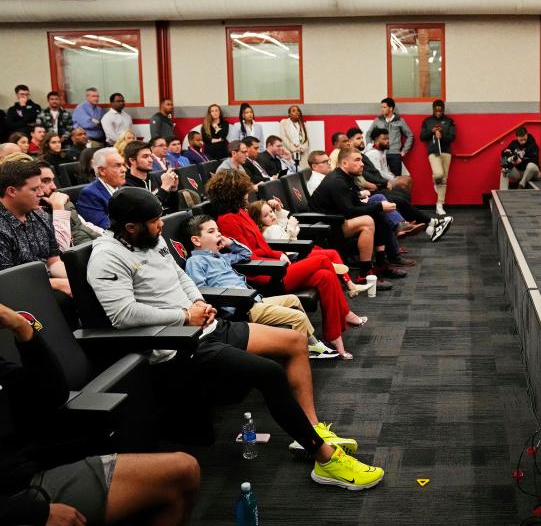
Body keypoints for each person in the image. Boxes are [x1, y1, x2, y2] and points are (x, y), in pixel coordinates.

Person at [87, 188, 384, 489]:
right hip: (176, 344)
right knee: (269, 372)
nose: (161, 225)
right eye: (154, 221)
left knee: (294, 341)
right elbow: (123, 315)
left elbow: (181, 278)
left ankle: (310, 428)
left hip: (203, 326)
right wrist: (183, 316)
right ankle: (324, 458)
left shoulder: (151, 239)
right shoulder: (106, 257)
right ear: (130, 226)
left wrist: (198, 304)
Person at [0, 302, 202, 526]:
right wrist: (33, 513)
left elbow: (52, 395)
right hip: (14, 501)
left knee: (184, 470)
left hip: (26, 474)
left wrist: (22, 328)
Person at [207, 171, 369, 359]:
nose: (248, 194)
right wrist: (277, 259)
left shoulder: (241, 212)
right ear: (233, 193)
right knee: (324, 260)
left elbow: (263, 246)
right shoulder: (226, 220)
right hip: (263, 274)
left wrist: (279, 254)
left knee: (325, 276)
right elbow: (247, 255)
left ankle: (334, 336)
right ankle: (346, 311)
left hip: (274, 264)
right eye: (244, 191)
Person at [184, 214, 338, 358]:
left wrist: (230, 243)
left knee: (293, 299)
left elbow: (246, 254)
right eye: (211, 231)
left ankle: (313, 346)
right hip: (241, 306)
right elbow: (200, 291)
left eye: (218, 230)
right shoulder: (195, 262)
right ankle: (300, 355)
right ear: (196, 241)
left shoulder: (221, 257)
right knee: (298, 317)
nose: (218, 234)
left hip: (254, 300)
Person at [310, 147, 412, 280]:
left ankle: (381, 264)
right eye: (357, 160)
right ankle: (364, 274)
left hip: (338, 219)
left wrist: (379, 208)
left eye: (361, 160)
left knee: (379, 212)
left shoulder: (347, 177)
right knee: (368, 221)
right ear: (345, 163)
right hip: (326, 225)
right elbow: (349, 211)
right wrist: (379, 206)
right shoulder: (337, 181)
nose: (362, 163)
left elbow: (355, 205)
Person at [247, 199, 371, 297]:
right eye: (266, 215)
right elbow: (284, 243)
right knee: (330, 255)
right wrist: (290, 228)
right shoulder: (270, 230)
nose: (271, 215)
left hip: (295, 252)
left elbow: (281, 223)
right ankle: (349, 284)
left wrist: (279, 210)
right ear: (259, 220)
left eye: (271, 211)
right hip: (293, 257)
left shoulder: (272, 226)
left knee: (330, 253)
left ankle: (349, 284)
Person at [0, 159, 72, 296]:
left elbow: (53, 261)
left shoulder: (40, 216)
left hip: (44, 281)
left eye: (40, 187)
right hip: (17, 293)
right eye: (34, 189)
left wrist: (76, 277)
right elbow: (6, 280)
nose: (41, 193)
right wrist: (58, 283)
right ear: (11, 191)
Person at [37, 160, 102, 250]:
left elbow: (84, 224)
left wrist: (107, 237)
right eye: (45, 181)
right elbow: (63, 249)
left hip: (96, 245)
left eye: (52, 180)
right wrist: (58, 209)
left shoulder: (59, 199)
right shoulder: (34, 216)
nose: (54, 187)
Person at [419, 99, 456, 216]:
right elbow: (422, 137)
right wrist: (432, 132)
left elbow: (452, 137)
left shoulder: (449, 121)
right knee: (439, 174)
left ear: (443, 109)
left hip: (446, 152)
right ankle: (436, 181)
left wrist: (442, 135)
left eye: (441, 110)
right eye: (436, 110)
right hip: (433, 151)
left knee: (444, 179)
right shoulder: (427, 121)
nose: (438, 112)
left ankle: (439, 204)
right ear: (433, 109)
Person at [76, 148, 127, 229]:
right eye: (117, 165)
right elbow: (106, 227)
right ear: (102, 171)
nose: (124, 169)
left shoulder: (124, 189)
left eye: (123, 165)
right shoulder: (89, 194)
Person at [123, 140, 178, 212]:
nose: (151, 160)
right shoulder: (127, 186)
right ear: (132, 160)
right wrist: (164, 188)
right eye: (145, 157)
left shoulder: (157, 177)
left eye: (150, 156)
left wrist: (173, 190)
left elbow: (174, 210)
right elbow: (148, 212)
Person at [368, 97, 413, 177]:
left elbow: (410, 135)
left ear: (391, 108)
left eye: (384, 107)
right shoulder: (378, 120)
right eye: (381, 107)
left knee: (396, 178)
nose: (382, 109)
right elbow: (368, 134)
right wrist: (370, 147)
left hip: (395, 154)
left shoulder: (400, 120)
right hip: (380, 153)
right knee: (380, 176)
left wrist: (404, 151)